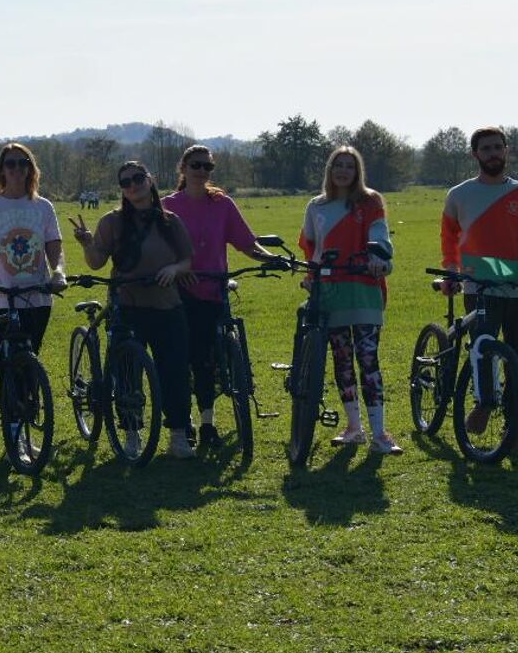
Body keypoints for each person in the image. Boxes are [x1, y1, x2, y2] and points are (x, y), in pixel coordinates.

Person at [70, 161, 197, 459]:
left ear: (149, 180)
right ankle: (131, 434)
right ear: (122, 190)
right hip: (128, 306)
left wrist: (173, 269)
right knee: (127, 374)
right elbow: (97, 263)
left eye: (138, 178)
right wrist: (88, 244)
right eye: (125, 183)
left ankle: (178, 436)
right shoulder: (111, 222)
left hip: (167, 306)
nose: (133, 186)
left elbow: (187, 261)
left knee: (175, 372)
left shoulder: (170, 221)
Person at [441, 126, 518, 452]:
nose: (492, 153)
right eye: (485, 148)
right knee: (482, 347)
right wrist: (452, 273)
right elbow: (449, 240)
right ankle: (484, 404)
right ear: (475, 154)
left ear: (507, 151)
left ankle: (514, 428)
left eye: (497, 147)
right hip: (479, 286)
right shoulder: (459, 195)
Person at [161, 144, 278, 448]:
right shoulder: (166, 206)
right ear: (183, 169)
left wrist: (273, 259)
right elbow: (157, 249)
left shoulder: (222, 204)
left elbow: (246, 242)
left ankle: (207, 423)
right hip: (178, 294)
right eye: (196, 165)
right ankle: (182, 422)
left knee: (206, 361)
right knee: (181, 359)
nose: (202, 171)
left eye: (207, 167)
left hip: (213, 290)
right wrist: (175, 269)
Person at [301, 147, 399, 454]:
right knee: (341, 360)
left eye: (350, 166)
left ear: (358, 172)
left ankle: (380, 433)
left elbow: (380, 237)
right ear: (329, 170)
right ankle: (354, 428)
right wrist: (311, 274)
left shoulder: (370, 202)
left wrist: (377, 258)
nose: (343, 171)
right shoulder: (316, 206)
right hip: (331, 291)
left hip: (364, 290)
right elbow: (310, 246)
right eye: (337, 165)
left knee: (369, 359)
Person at [0, 142, 66, 351]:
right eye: (11, 164)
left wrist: (59, 272)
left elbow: (53, 245)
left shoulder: (43, 206)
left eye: (23, 163)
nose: (17, 169)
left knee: (32, 358)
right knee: (6, 360)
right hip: (2, 298)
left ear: (31, 169)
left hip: (38, 297)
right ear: (2, 170)